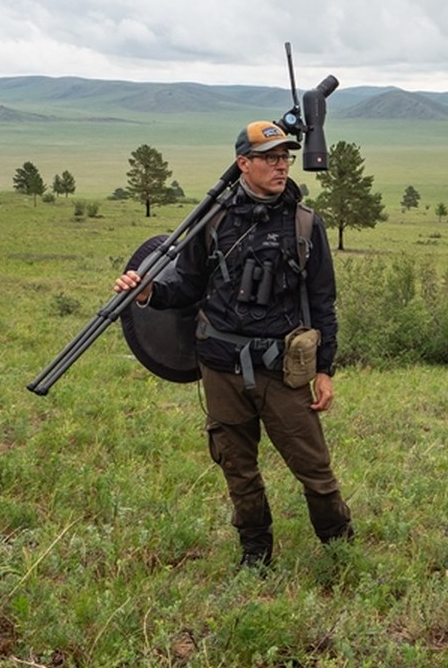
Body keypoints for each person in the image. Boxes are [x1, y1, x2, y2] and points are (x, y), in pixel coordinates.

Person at [114, 121, 352, 569]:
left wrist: (325, 370)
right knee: (237, 468)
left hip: (283, 368)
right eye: (270, 158)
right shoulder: (213, 219)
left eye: (285, 158)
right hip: (221, 365)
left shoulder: (305, 224)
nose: (281, 166)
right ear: (244, 164)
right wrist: (148, 293)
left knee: (314, 468)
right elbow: (185, 286)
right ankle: (255, 555)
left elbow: (323, 302)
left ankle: (339, 549)